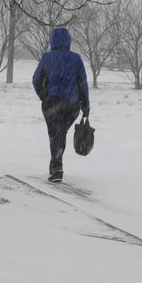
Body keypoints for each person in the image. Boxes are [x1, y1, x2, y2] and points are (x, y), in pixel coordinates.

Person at [32, 26, 90, 183]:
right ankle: (56, 165)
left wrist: (43, 96)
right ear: (68, 41)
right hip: (72, 105)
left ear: (52, 41)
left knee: (55, 134)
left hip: (52, 103)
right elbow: (83, 83)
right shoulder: (76, 59)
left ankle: (56, 167)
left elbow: (36, 80)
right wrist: (85, 106)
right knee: (60, 133)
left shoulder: (47, 58)